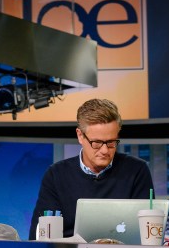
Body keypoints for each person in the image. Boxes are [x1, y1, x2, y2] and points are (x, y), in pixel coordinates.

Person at [29, 98, 154, 239]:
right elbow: (38, 238)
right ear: (80, 136)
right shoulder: (56, 175)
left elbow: (147, 236)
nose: (105, 150)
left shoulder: (137, 171)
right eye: (97, 143)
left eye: (111, 142)